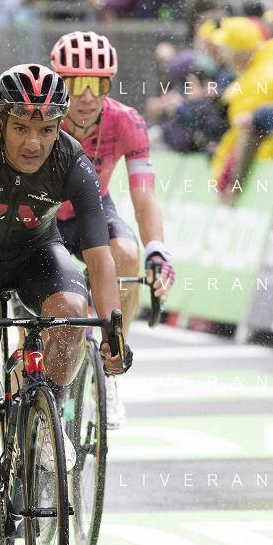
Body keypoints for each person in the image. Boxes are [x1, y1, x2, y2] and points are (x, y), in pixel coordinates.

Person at [0, 63, 129, 545]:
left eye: (46, 129)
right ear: (0, 122)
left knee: (72, 310)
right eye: (22, 127)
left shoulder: (72, 158)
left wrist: (113, 328)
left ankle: (45, 418)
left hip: (35, 255)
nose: (34, 142)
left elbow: (98, 253)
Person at [49, 31, 175, 428]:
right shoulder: (42, 117)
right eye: (76, 84)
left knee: (128, 253)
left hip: (92, 209)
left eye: (98, 83)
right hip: (42, 214)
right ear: (59, 83)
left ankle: (110, 359)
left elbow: (144, 196)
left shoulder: (127, 121)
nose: (87, 96)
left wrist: (158, 249)